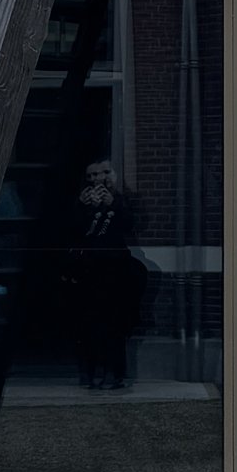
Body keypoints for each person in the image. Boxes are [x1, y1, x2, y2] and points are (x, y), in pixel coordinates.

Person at [69, 158, 146, 391]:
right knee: (89, 323)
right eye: (91, 176)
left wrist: (113, 204)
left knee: (114, 323)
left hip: (115, 270)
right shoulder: (81, 201)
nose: (96, 180)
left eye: (102, 174)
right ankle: (91, 373)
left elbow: (131, 226)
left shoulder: (123, 199)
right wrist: (81, 208)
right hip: (88, 269)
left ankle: (114, 374)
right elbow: (73, 232)